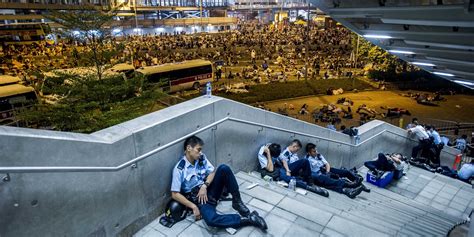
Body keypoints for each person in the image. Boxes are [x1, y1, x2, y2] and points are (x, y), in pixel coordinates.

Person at [170, 136, 267, 230]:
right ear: (189, 148)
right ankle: (249, 220)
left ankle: (237, 202)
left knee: (223, 168)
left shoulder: (201, 158)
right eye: (198, 150)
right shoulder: (179, 169)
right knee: (211, 220)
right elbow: (175, 194)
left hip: (210, 190)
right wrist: (193, 206)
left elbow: (213, 171)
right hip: (201, 200)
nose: (200, 153)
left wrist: (205, 185)